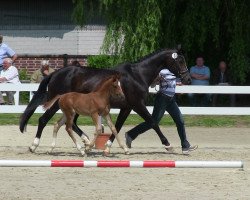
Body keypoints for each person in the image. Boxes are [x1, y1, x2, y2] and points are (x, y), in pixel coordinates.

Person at [125, 69, 198, 154]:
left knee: (180, 121)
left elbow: (172, 82)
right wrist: (157, 79)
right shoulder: (162, 70)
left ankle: (185, 146)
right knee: (153, 122)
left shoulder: (173, 70)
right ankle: (130, 134)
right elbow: (152, 84)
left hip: (171, 99)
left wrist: (177, 84)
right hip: (162, 99)